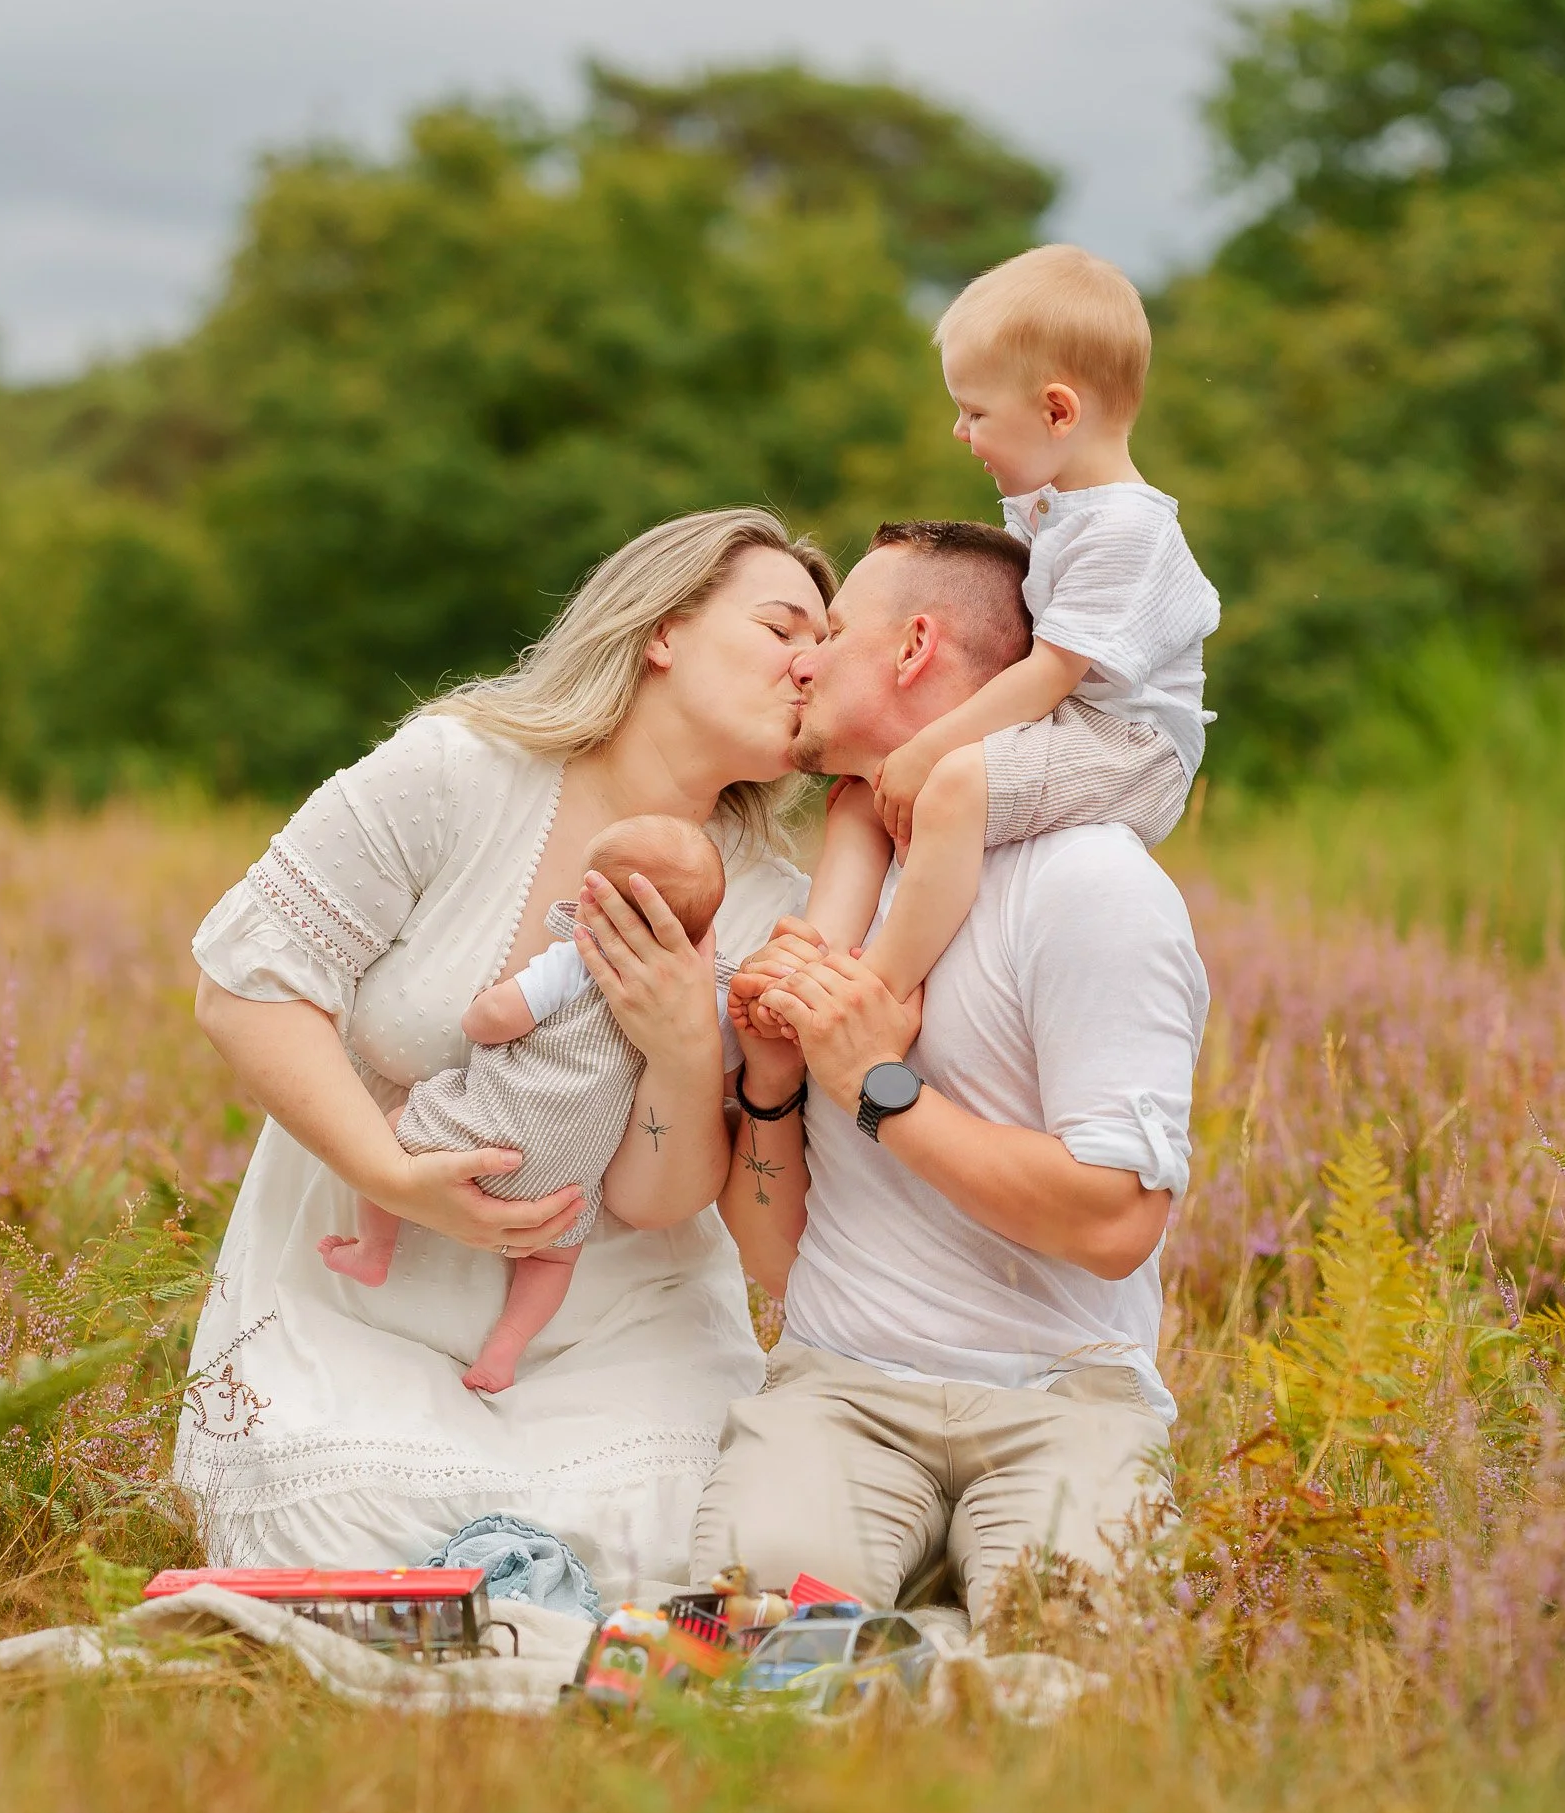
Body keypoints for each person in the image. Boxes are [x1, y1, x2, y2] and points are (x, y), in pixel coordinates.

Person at [181, 508, 833, 1600]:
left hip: (614, 1321)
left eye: (827, 644)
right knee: (347, 1514)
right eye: (780, 627)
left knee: (688, 1535)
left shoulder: (770, 901)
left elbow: (659, 1199)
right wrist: (393, 1177)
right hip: (359, 1288)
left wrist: (679, 1045)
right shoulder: (457, 772)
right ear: (661, 631)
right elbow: (244, 986)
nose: (812, 662)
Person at [696, 518, 1209, 1625]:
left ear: (913, 646)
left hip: (1061, 1400)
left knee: (1065, 1650)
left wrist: (880, 1087)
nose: (804, 657)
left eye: (829, 631)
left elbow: (1117, 1220)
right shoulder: (838, 892)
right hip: (837, 1390)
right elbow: (776, 1258)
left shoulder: (1087, 886)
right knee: (748, 1640)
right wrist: (776, 1078)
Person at [762, 244, 1219, 1016]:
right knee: (872, 789)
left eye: (975, 413)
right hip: (1080, 722)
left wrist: (926, 748)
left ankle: (880, 984)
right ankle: (831, 947)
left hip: (1134, 745)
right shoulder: (1053, 504)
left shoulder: (1123, 528)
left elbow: (1048, 675)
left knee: (953, 783)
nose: (957, 430)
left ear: (1056, 411)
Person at [318, 814, 733, 1396]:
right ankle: (506, 1349)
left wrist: (485, 1005)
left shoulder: (575, 962)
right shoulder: (699, 997)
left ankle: (375, 1248)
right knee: (551, 1263)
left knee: (387, 1130)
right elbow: (725, 1064)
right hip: (564, 1187)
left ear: (595, 901)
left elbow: (489, 1022)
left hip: (480, 1135)